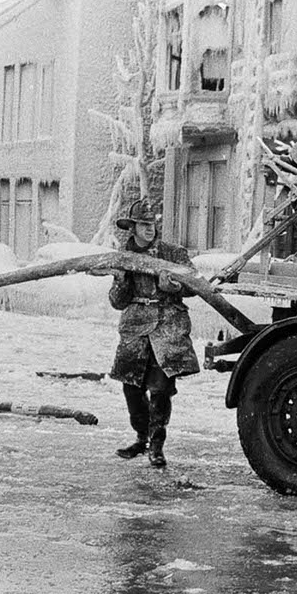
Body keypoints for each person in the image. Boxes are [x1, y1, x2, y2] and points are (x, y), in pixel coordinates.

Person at [98, 198, 198, 468]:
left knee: (161, 389)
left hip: (166, 328)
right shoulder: (124, 257)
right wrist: (120, 279)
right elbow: (117, 302)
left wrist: (175, 287)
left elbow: (195, 285)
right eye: (143, 225)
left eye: (152, 224)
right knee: (131, 387)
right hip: (135, 329)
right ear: (132, 228)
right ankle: (141, 437)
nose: (149, 229)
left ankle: (156, 445)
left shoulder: (172, 253)